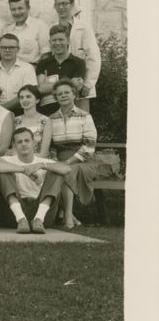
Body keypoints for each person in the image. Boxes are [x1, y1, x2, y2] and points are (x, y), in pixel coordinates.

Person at [0, 128, 73, 234]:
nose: (23, 144)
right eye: (19, 142)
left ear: (34, 143)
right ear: (14, 145)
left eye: (27, 141)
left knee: (56, 172)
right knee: (5, 172)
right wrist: (25, 170)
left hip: (42, 211)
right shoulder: (8, 160)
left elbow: (67, 169)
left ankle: (38, 219)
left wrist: (41, 165)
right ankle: (21, 219)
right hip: (15, 213)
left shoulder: (44, 161)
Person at [50, 79, 105, 229]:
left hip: (83, 161)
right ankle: (71, 215)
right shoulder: (51, 119)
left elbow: (88, 146)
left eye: (66, 92)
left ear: (74, 94)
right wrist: (55, 160)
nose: (63, 96)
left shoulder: (85, 116)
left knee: (65, 171)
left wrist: (67, 162)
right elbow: (51, 146)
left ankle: (67, 215)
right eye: (59, 94)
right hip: (60, 159)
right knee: (53, 173)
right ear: (56, 98)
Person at [54, 0, 101, 110]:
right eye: (58, 4)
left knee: (82, 120)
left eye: (65, 3)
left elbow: (93, 57)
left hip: (80, 84)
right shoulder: (51, 27)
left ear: (72, 5)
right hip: (60, 83)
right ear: (54, 6)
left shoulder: (83, 27)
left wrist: (88, 84)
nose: (61, 7)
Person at [36, 26, 89, 115]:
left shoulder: (78, 63)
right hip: (47, 111)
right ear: (50, 42)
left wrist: (49, 87)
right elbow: (41, 89)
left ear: (68, 40)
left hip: (70, 110)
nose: (57, 43)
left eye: (61, 40)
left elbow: (75, 88)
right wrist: (69, 81)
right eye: (54, 40)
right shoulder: (43, 63)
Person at [0, 33, 38, 113]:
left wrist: (2, 109)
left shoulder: (27, 68)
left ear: (18, 49)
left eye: (11, 47)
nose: (7, 50)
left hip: (22, 111)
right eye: (4, 47)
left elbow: (28, 94)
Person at [3, 0, 50, 65]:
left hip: (34, 69)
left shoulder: (40, 26)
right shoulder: (8, 30)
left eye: (20, 8)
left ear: (28, 8)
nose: (17, 12)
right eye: (13, 9)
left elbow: (46, 54)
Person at [13, 84, 52, 157]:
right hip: (18, 161)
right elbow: (14, 149)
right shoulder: (15, 121)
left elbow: (43, 154)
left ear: (37, 100)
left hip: (39, 161)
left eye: (28, 96)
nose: (24, 100)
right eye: (21, 97)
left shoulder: (46, 121)